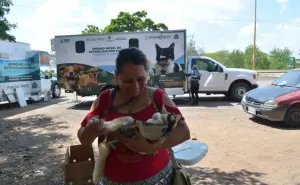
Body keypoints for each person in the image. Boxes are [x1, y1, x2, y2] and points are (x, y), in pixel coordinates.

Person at [77, 47, 190, 185]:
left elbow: (184, 132)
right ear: (117, 76)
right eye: (128, 81)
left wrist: (151, 147)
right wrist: (91, 130)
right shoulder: (104, 100)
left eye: (141, 79)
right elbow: (84, 139)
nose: (135, 86)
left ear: (147, 74)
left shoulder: (158, 98)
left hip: (159, 179)